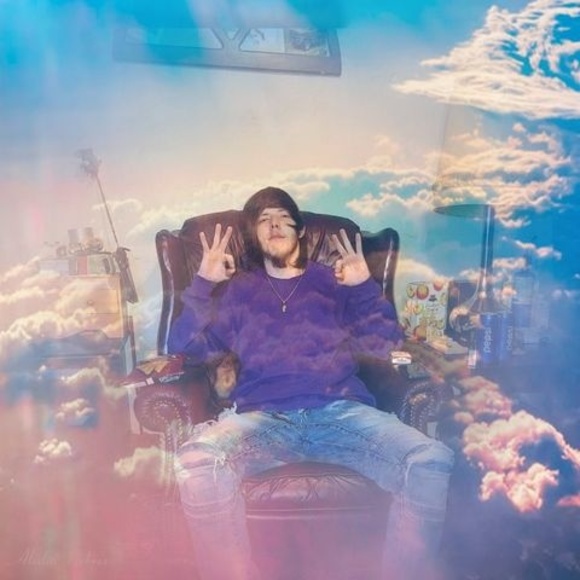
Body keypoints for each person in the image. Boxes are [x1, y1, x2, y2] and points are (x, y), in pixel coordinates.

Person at [169, 186, 454, 580]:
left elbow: (385, 344)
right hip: (263, 419)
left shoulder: (334, 282)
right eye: (263, 220)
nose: (273, 224)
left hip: (340, 414)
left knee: (430, 461)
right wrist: (203, 282)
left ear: (300, 231)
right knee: (197, 462)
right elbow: (182, 348)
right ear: (254, 236)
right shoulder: (239, 291)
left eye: (283, 217)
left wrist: (363, 286)